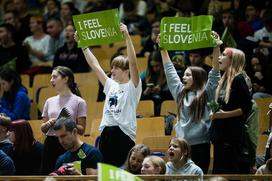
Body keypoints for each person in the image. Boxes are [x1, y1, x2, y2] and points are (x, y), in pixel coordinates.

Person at [76, 23, 142, 167]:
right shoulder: (110, 84)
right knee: (106, 174)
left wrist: (127, 36)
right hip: (106, 135)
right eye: (111, 67)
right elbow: (95, 65)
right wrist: (83, 45)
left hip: (124, 136)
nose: (112, 70)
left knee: (121, 173)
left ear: (126, 71)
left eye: (116, 67)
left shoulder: (133, 86)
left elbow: (133, 63)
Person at [158, 32, 221, 173]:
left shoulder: (207, 93)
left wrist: (216, 47)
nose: (183, 77)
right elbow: (170, 71)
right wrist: (163, 48)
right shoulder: (180, 92)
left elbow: (215, 72)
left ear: (197, 78)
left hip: (201, 146)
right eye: (184, 74)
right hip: (182, 146)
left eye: (187, 75)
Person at [209, 47, 252, 173]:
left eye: (223, 55)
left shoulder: (239, 79)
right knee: (218, 172)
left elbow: (246, 108)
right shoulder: (224, 79)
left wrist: (224, 115)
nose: (219, 58)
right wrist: (215, 113)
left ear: (233, 60)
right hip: (220, 135)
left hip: (231, 135)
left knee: (229, 171)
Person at [40, 66, 87, 175]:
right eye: (51, 77)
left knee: (66, 175)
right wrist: (48, 123)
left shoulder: (79, 101)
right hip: (51, 143)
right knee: (47, 175)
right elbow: (43, 128)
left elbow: (81, 129)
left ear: (66, 79)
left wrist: (68, 122)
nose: (51, 80)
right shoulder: (49, 101)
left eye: (55, 77)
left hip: (69, 143)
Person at [140, 50, 172, 116]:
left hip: (166, 110)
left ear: (163, 64)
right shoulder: (144, 76)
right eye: (152, 66)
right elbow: (138, 99)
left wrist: (160, 92)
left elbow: (174, 98)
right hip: (149, 111)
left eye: (157, 66)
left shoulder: (170, 76)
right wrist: (145, 94)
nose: (155, 69)